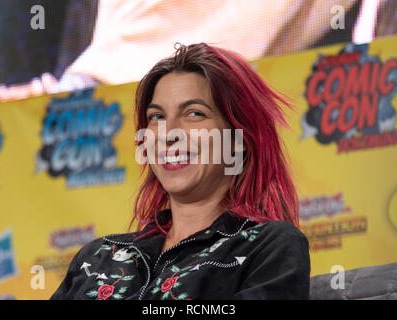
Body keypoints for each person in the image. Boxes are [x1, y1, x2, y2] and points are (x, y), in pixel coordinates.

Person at [50, 43, 310, 300]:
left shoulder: (269, 245)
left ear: (239, 139)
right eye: (157, 117)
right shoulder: (98, 255)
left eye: (194, 113)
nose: (168, 133)